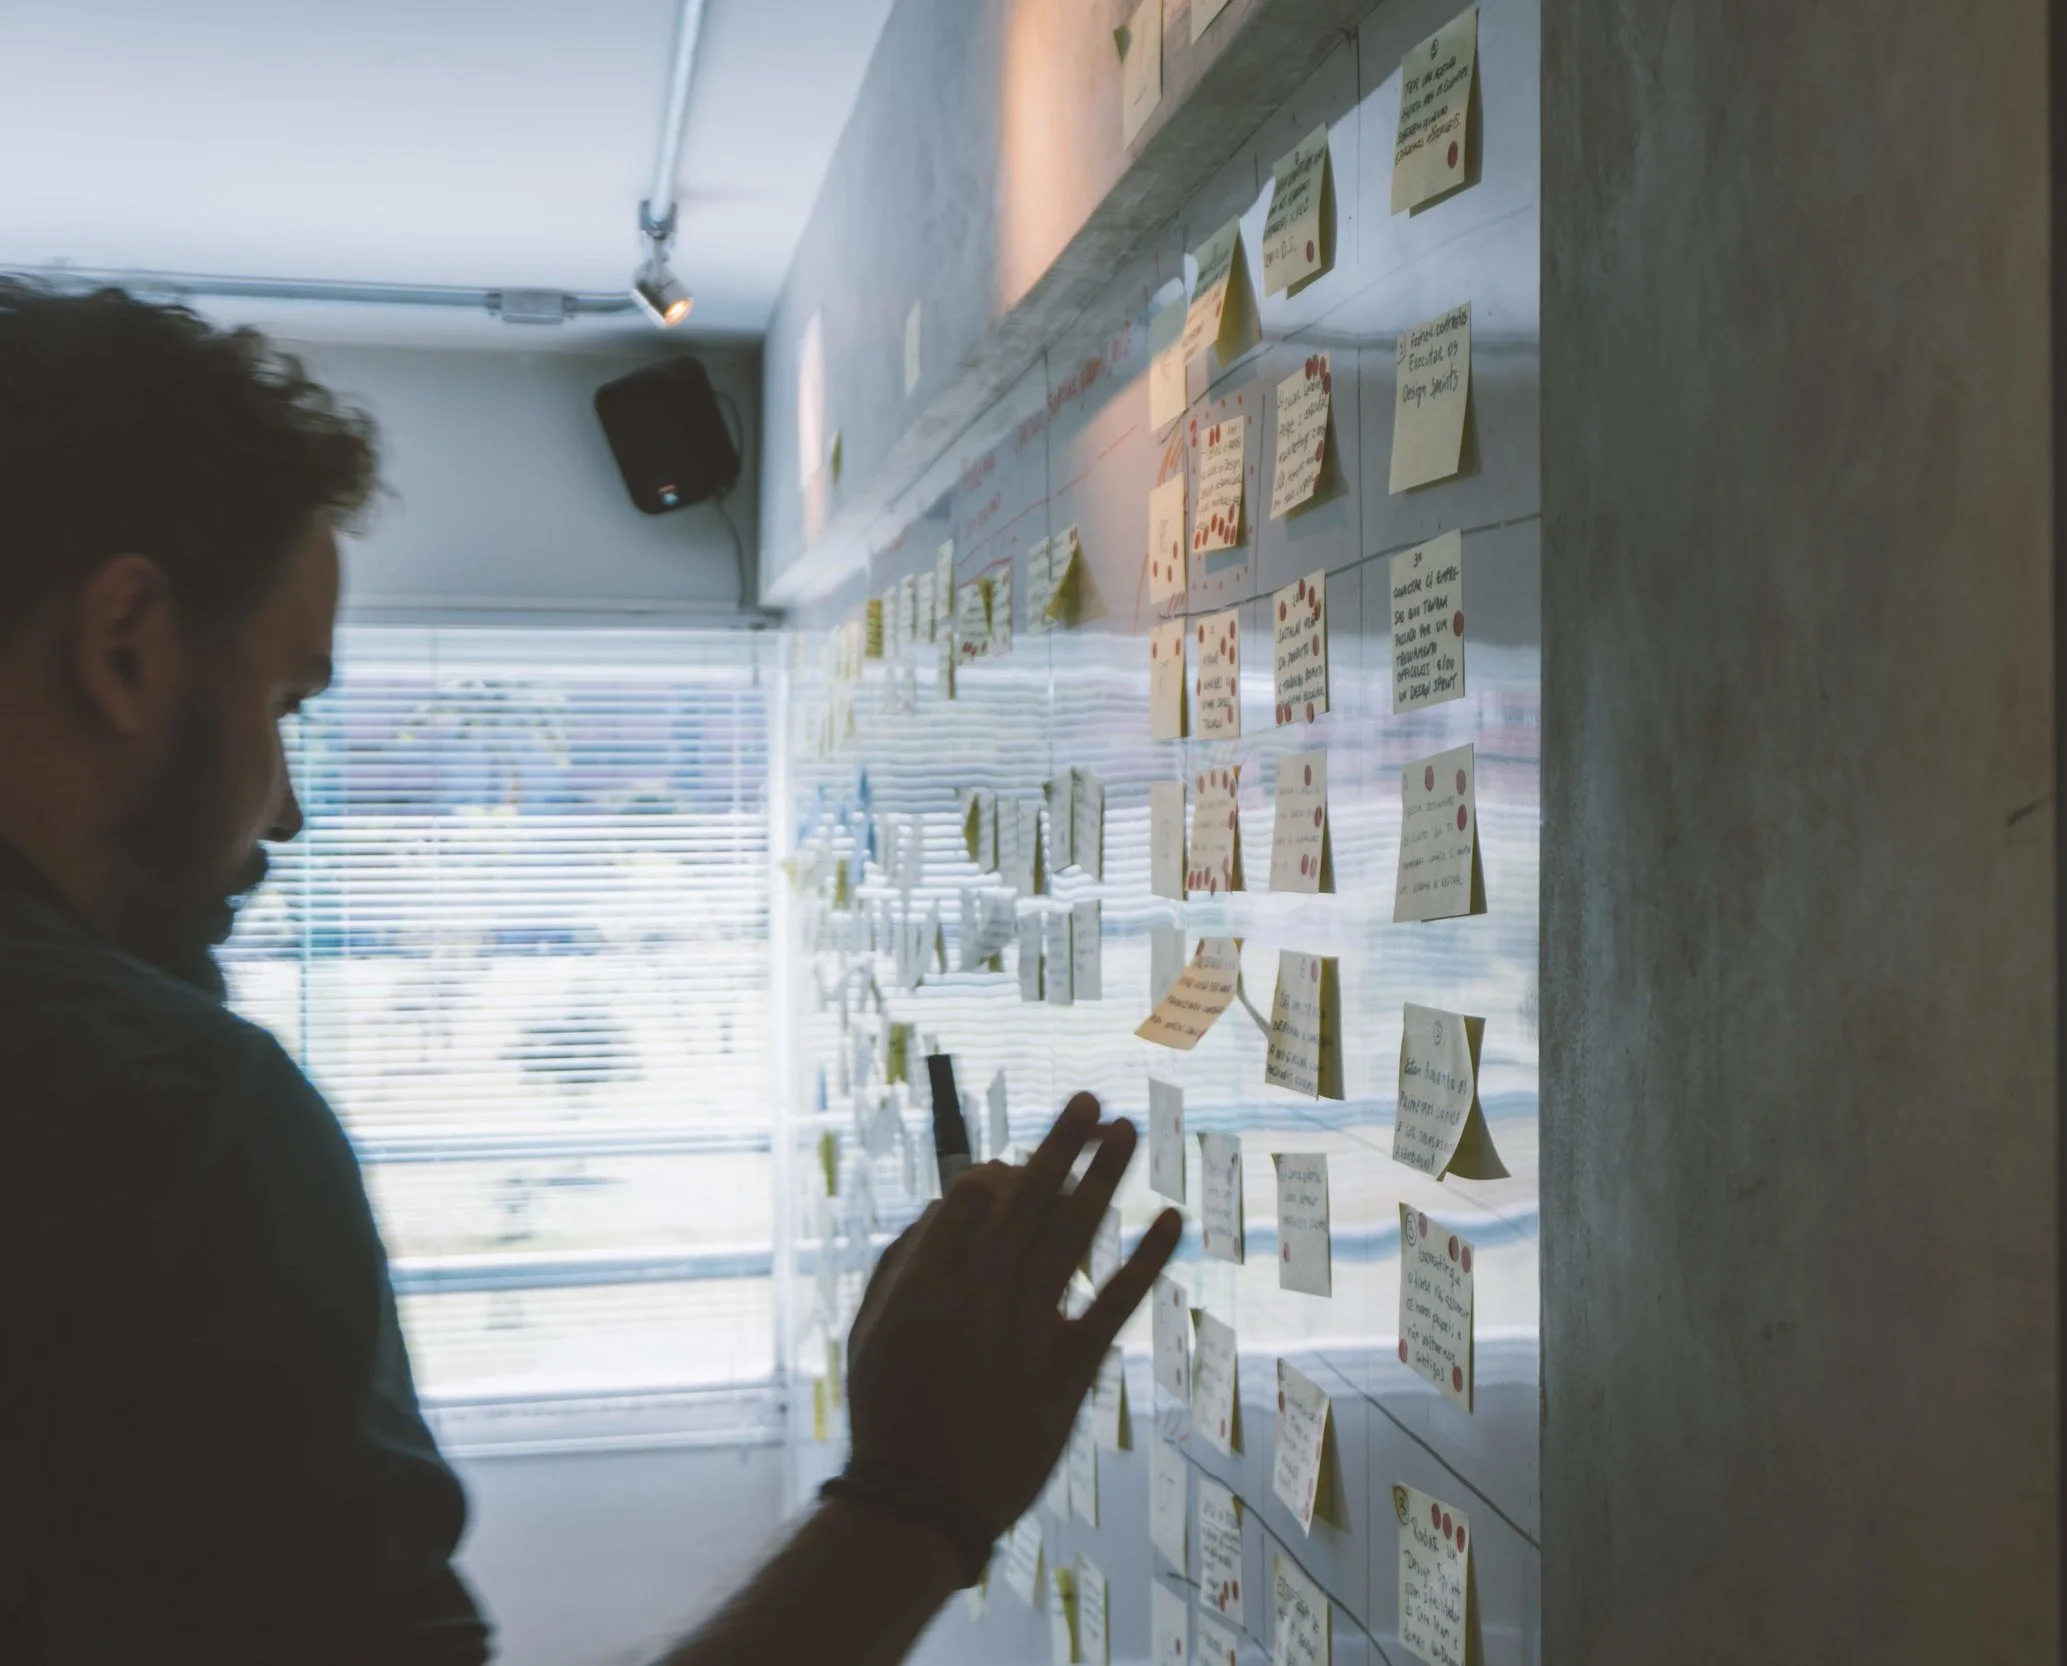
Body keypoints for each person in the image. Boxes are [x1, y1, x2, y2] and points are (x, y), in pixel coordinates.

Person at [0, 279, 1182, 1664]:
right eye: (284, 703)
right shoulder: (164, 1115)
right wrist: (919, 1498)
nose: (287, 812)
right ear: (126, 646)